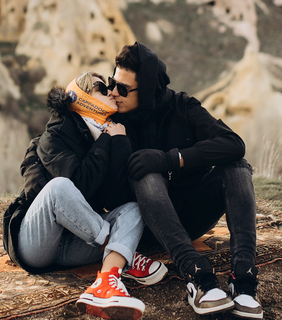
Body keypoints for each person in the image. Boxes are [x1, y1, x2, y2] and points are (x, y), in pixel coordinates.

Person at [108, 42, 263, 319]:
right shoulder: (115, 120)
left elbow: (234, 144)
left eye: (122, 88)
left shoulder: (182, 107)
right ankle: (197, 275)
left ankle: (244, 278)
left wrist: (172, 159)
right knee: (145, 171)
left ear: (145, 90)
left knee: (237, 167)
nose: (112, 93)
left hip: (192, 215)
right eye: (112, 82)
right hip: (147, 226)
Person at [4, 71, 167, 320]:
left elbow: (115, 197)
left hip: (77, 242)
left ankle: (106, 282)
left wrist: (120, 142)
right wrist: (103, 141)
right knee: (61, 187)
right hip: (36, 243)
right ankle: (127, 255)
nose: (111, 91)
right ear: (81, 96)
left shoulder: (110, 131)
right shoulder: (54, 135)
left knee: (132, 208)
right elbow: (79, 185)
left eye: (112, 86)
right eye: (102, 87)